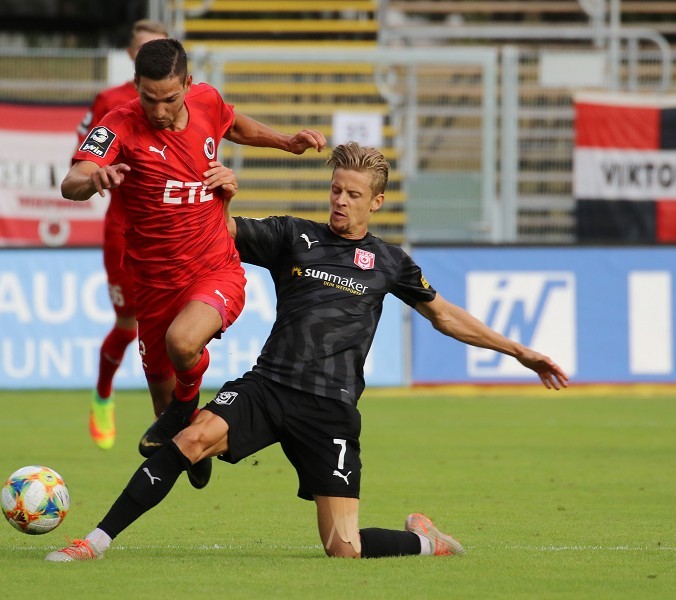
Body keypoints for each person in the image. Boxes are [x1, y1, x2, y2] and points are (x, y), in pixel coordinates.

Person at [46, 142, 569, 562]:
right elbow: (217, 232)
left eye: (354, 194)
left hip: (330, 408)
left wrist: (519, 351)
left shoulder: (390, 262)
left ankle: (425, 539)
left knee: (344, 549)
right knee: (191, 438)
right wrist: (213, 195)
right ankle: (94, 543)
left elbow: (445, 316)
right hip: (270, 386)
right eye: (336, 189)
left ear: (377, 202)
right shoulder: (293, 236)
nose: (340, 200)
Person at [62, 38, 326, 486]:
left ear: (187, 84)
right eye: (148, 98)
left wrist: (286, 142)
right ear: (136, 87)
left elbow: (233, 124)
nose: (159, 111)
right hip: (154, 282)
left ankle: (188, 408)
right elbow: (73, 180)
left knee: (183, 343)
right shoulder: (119, 126)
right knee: (166, 415)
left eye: (169, 99)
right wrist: (95, 179)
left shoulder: (207, 99)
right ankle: (188, 424)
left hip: (214, 268)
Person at [75, 19, 168, 451]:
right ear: (132, 58)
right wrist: (100, 175)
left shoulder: (183, 101)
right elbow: (83, 164)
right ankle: (103, 395)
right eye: (142, 48)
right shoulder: (110, 104)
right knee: (128, 325)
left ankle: (177, 416)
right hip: (124, 231)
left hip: (172, 231)